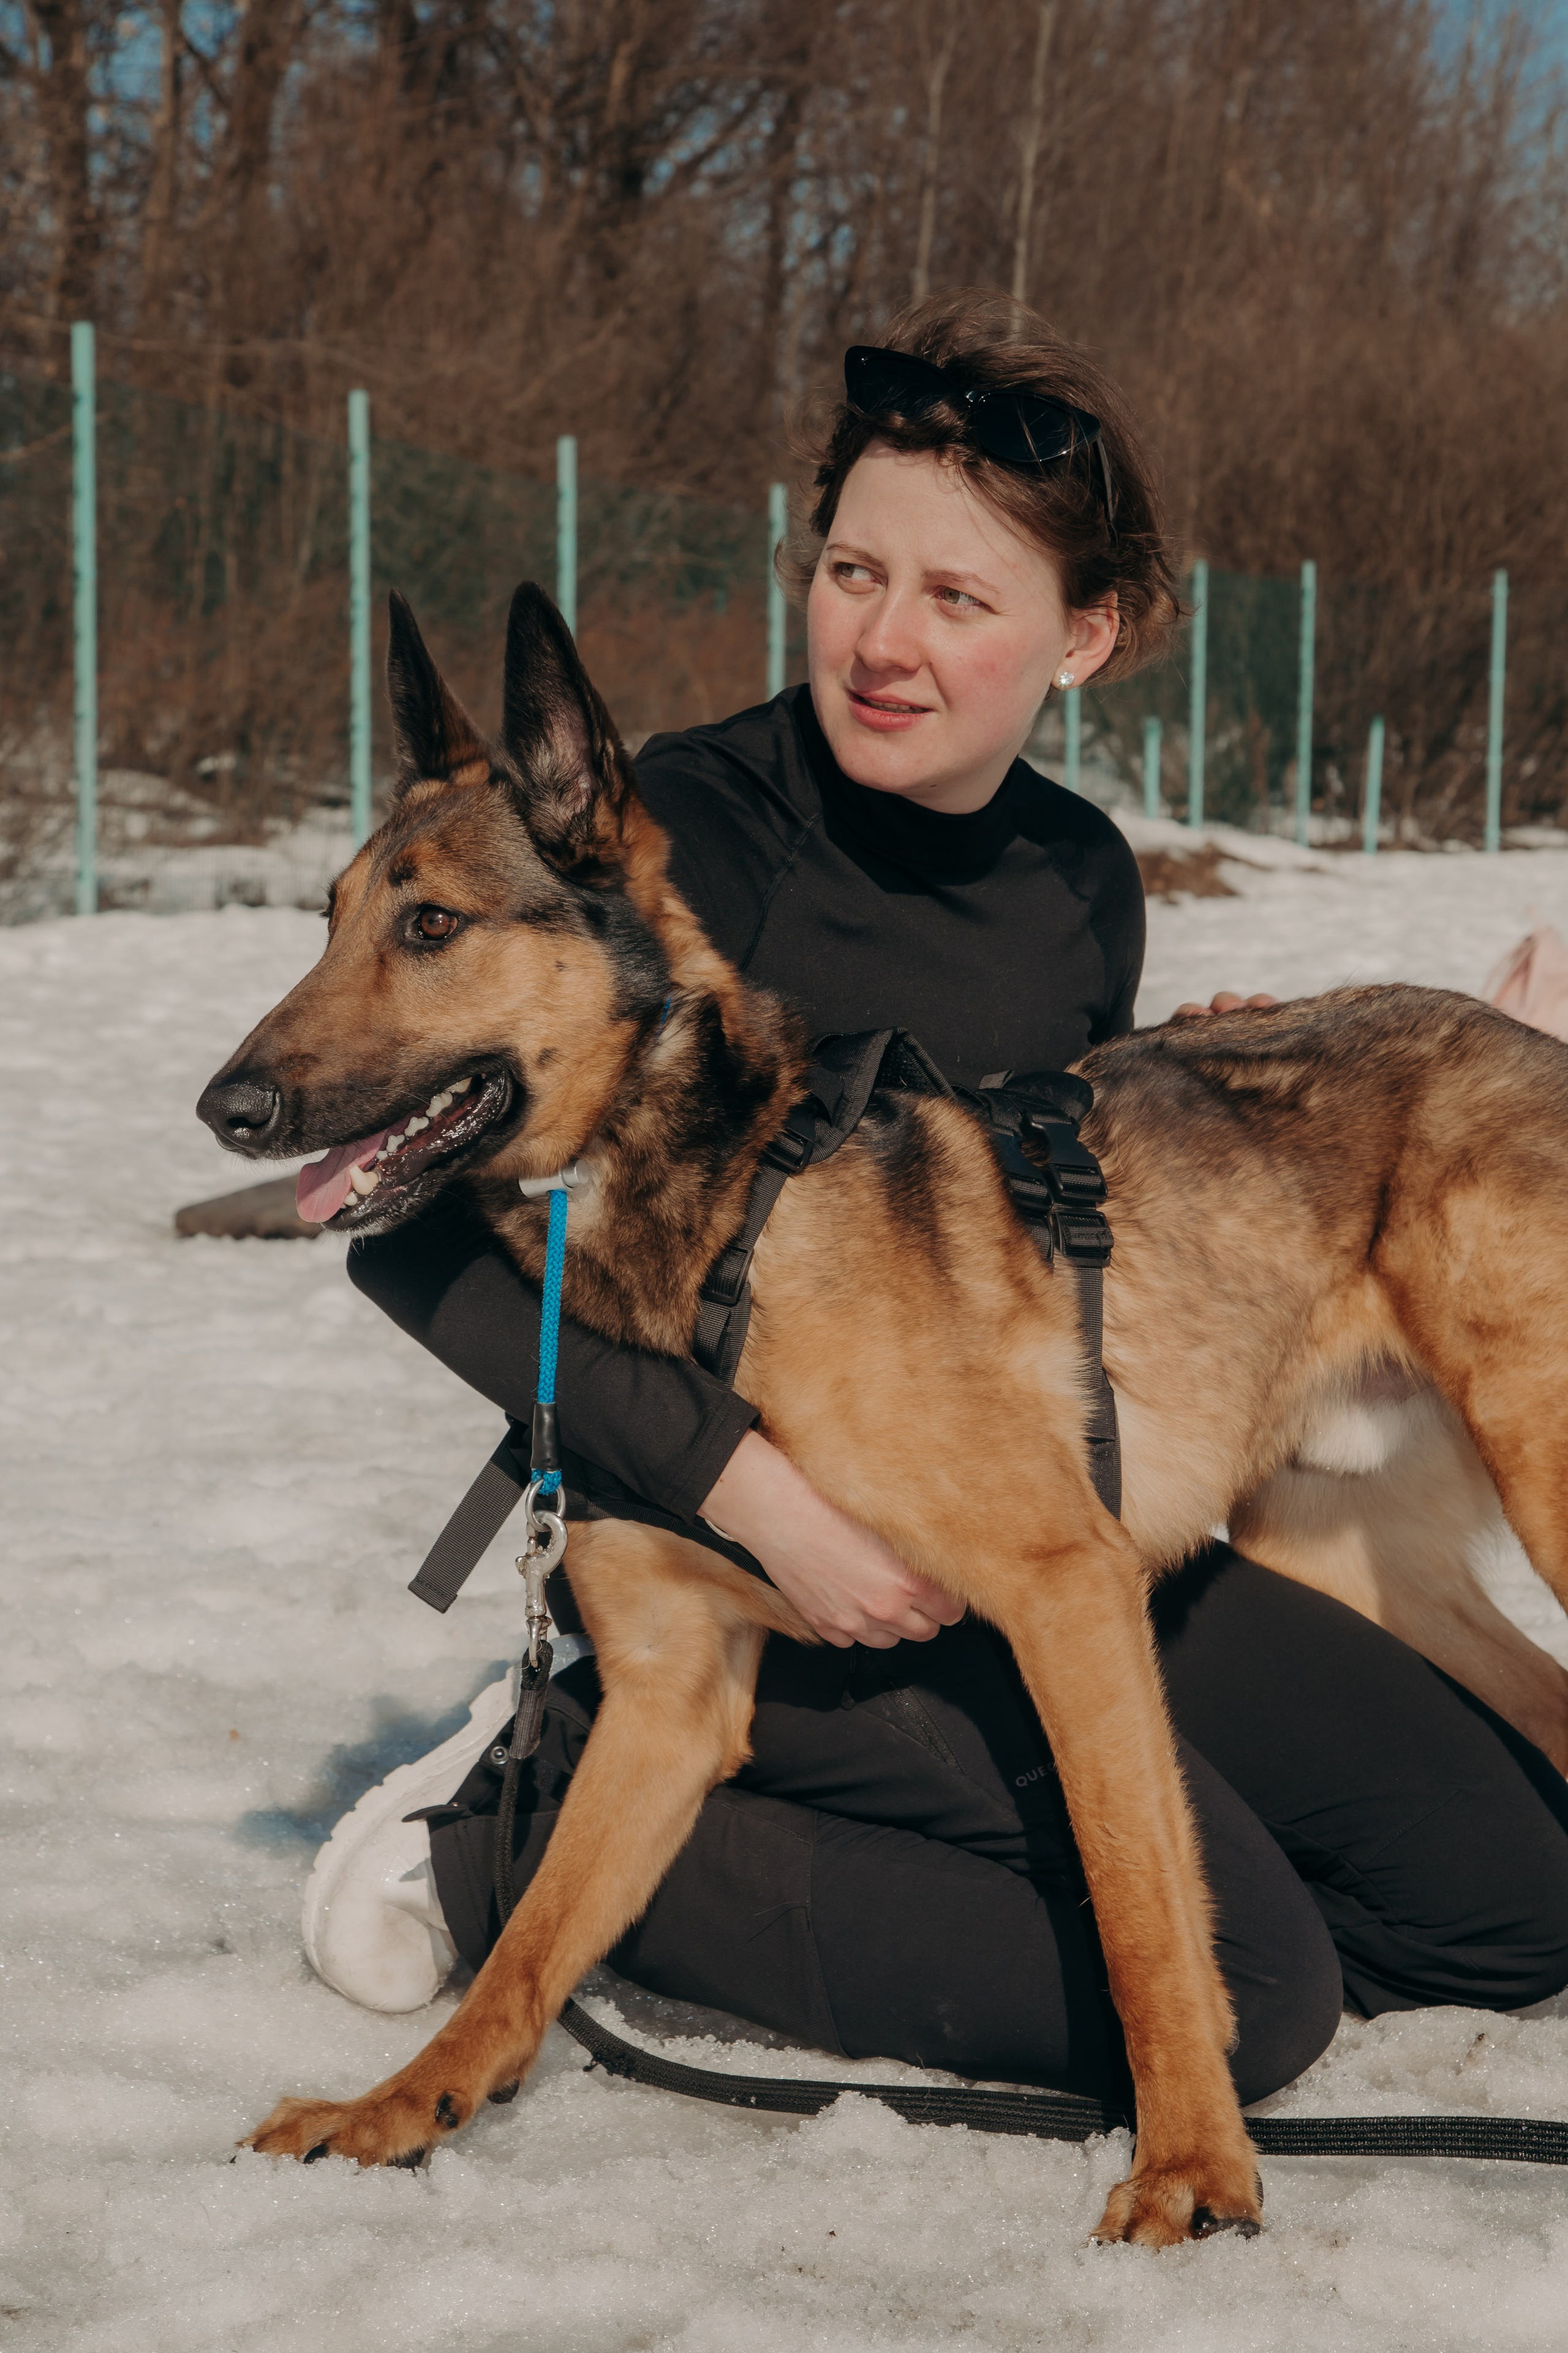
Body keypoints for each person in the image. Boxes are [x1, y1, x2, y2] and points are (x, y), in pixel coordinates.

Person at [307, 292, 1568, 2107]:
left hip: (1002, 1508)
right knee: (1253, 1993)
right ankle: (524, 1818)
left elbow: (1031, 1243)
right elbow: (419, 1241)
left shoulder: (1082, 877)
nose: (885, 640)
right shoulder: (680, 834)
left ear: (1085, 636)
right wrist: (750, 1493)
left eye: (960, 598)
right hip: (744, 1545)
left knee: (1511, 1903)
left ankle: (1062, 1889)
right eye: (853, 572)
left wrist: (1241, 1110)